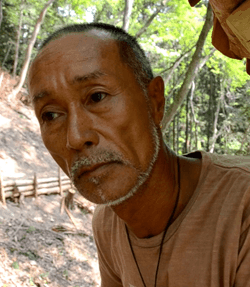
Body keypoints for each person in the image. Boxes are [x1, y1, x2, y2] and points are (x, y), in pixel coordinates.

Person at [28, 23, 250, 287]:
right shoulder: (108, 222)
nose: (75, 137)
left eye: (97, 97)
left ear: (155, 101)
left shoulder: (241, 206)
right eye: (51, 115)